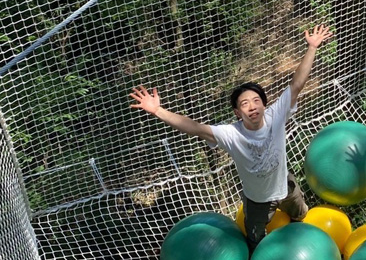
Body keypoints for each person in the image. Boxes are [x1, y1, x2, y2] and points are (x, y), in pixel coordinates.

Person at [129, 25, 333, 247]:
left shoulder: (276, 115)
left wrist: (312, 47)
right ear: (237, 112)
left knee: (301, 215)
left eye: (256, 101)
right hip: (258, 201)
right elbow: (194, 127)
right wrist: (158, 111)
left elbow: (296, 85)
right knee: (254, 239)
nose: (252, 107)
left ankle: (303, 242)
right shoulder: (231, 134)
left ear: (264, 104)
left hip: (285, 187)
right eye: (245, 104)